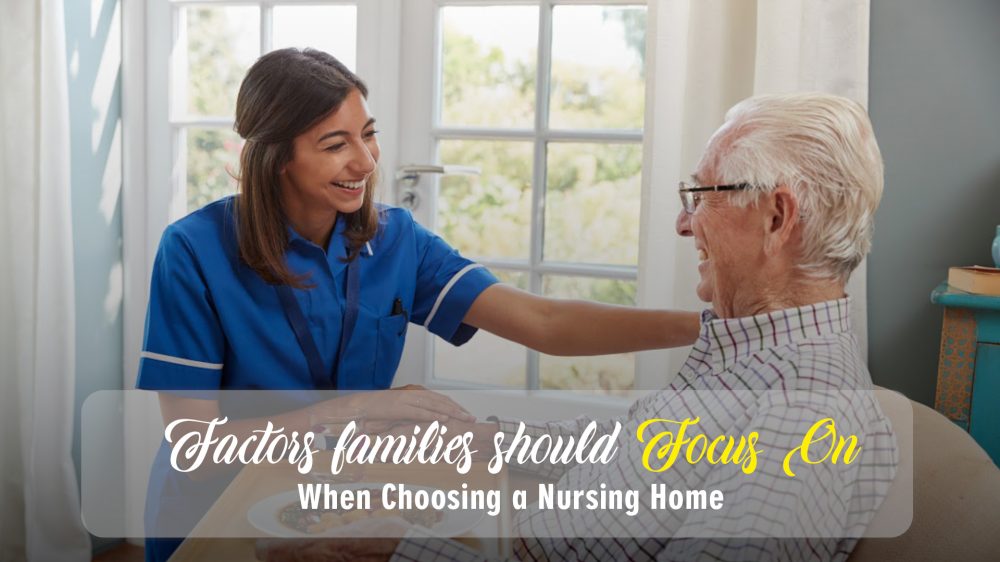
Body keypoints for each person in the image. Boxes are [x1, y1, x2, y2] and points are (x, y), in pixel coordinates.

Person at [258, 92, 898, 562]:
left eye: (700, 196)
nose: (684, 224)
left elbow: (547, 323)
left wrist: (407, 553)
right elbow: (632, 448)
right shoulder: (754, 356)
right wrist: (485, 439)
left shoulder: (804, 410)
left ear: (777, 217)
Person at [136, 48, 700, 562]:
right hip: (217, 514)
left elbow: (544, 322)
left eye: (368, 134)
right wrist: (348, 412)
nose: (364, 162)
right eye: (335, 145)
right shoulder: (193, 250)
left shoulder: (398, 239)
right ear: (276, 158)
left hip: (339, 498)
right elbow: (195, 446)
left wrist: (711, 326)